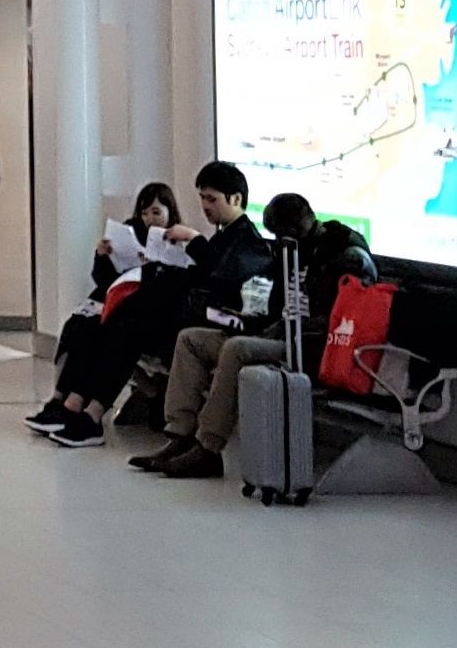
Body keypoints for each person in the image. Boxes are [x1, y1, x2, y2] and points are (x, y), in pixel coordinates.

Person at [133, 192, 377, 478]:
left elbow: (345, 320)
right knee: (191, 340)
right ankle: (181, 435)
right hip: (278, 333)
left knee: (236, 349)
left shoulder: (344, 255)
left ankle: (208, 446)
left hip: (313, 347)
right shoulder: (289, 254)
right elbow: (273, 301)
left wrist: (296, 320)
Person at [31, 161, 267, 448]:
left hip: (205, 320)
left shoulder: (248, 242)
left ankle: (90, 412)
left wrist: (192, 242)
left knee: (127, 329)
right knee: (101, 322)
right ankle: (76, 403)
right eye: (202, 198)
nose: (206, 206)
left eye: (212, 199)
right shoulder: (222, 237)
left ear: (236, 199)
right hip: (185, 313)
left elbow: (221, 279)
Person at [43, 182, 187, 398]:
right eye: (144, 213)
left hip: (146, 314)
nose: (149, 219)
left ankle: (76, 400)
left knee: (97, 329)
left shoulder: (180, 243)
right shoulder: (132, 234)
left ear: (170, 212)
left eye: (156, 212)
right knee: (79, 326)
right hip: (120, 303)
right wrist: (103, 256)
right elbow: (103, 280)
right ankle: (61, 398)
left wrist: (153, 269)